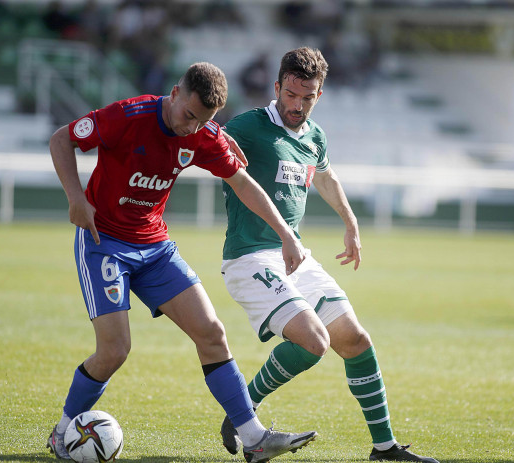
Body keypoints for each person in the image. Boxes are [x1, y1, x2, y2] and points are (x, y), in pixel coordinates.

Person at [46, 62, 317, 463]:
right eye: (189, 115)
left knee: (212, 333)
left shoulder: (205, 134)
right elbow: (60, 140)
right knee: (115, 350)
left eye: (204, 121)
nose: (192, 128)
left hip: (155, 248)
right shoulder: (127, 116)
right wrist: (75, 198)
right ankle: (63, 431)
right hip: (104, 242)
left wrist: (284, 233)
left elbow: (242, 182)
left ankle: (254, 439)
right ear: (174, 93)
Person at [218, 47, 439, 462]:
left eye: (308, 97)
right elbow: (206, 150)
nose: (297, 105)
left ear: (319, 95)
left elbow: (326, 175)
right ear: (277, 87)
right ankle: (242, 410)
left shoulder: (314, 136)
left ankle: (384, 447)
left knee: (355, 340)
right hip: (250, 257)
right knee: (315, 341)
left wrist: (350, 222)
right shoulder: (246, 127)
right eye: (291, 95)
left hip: (296, 255)